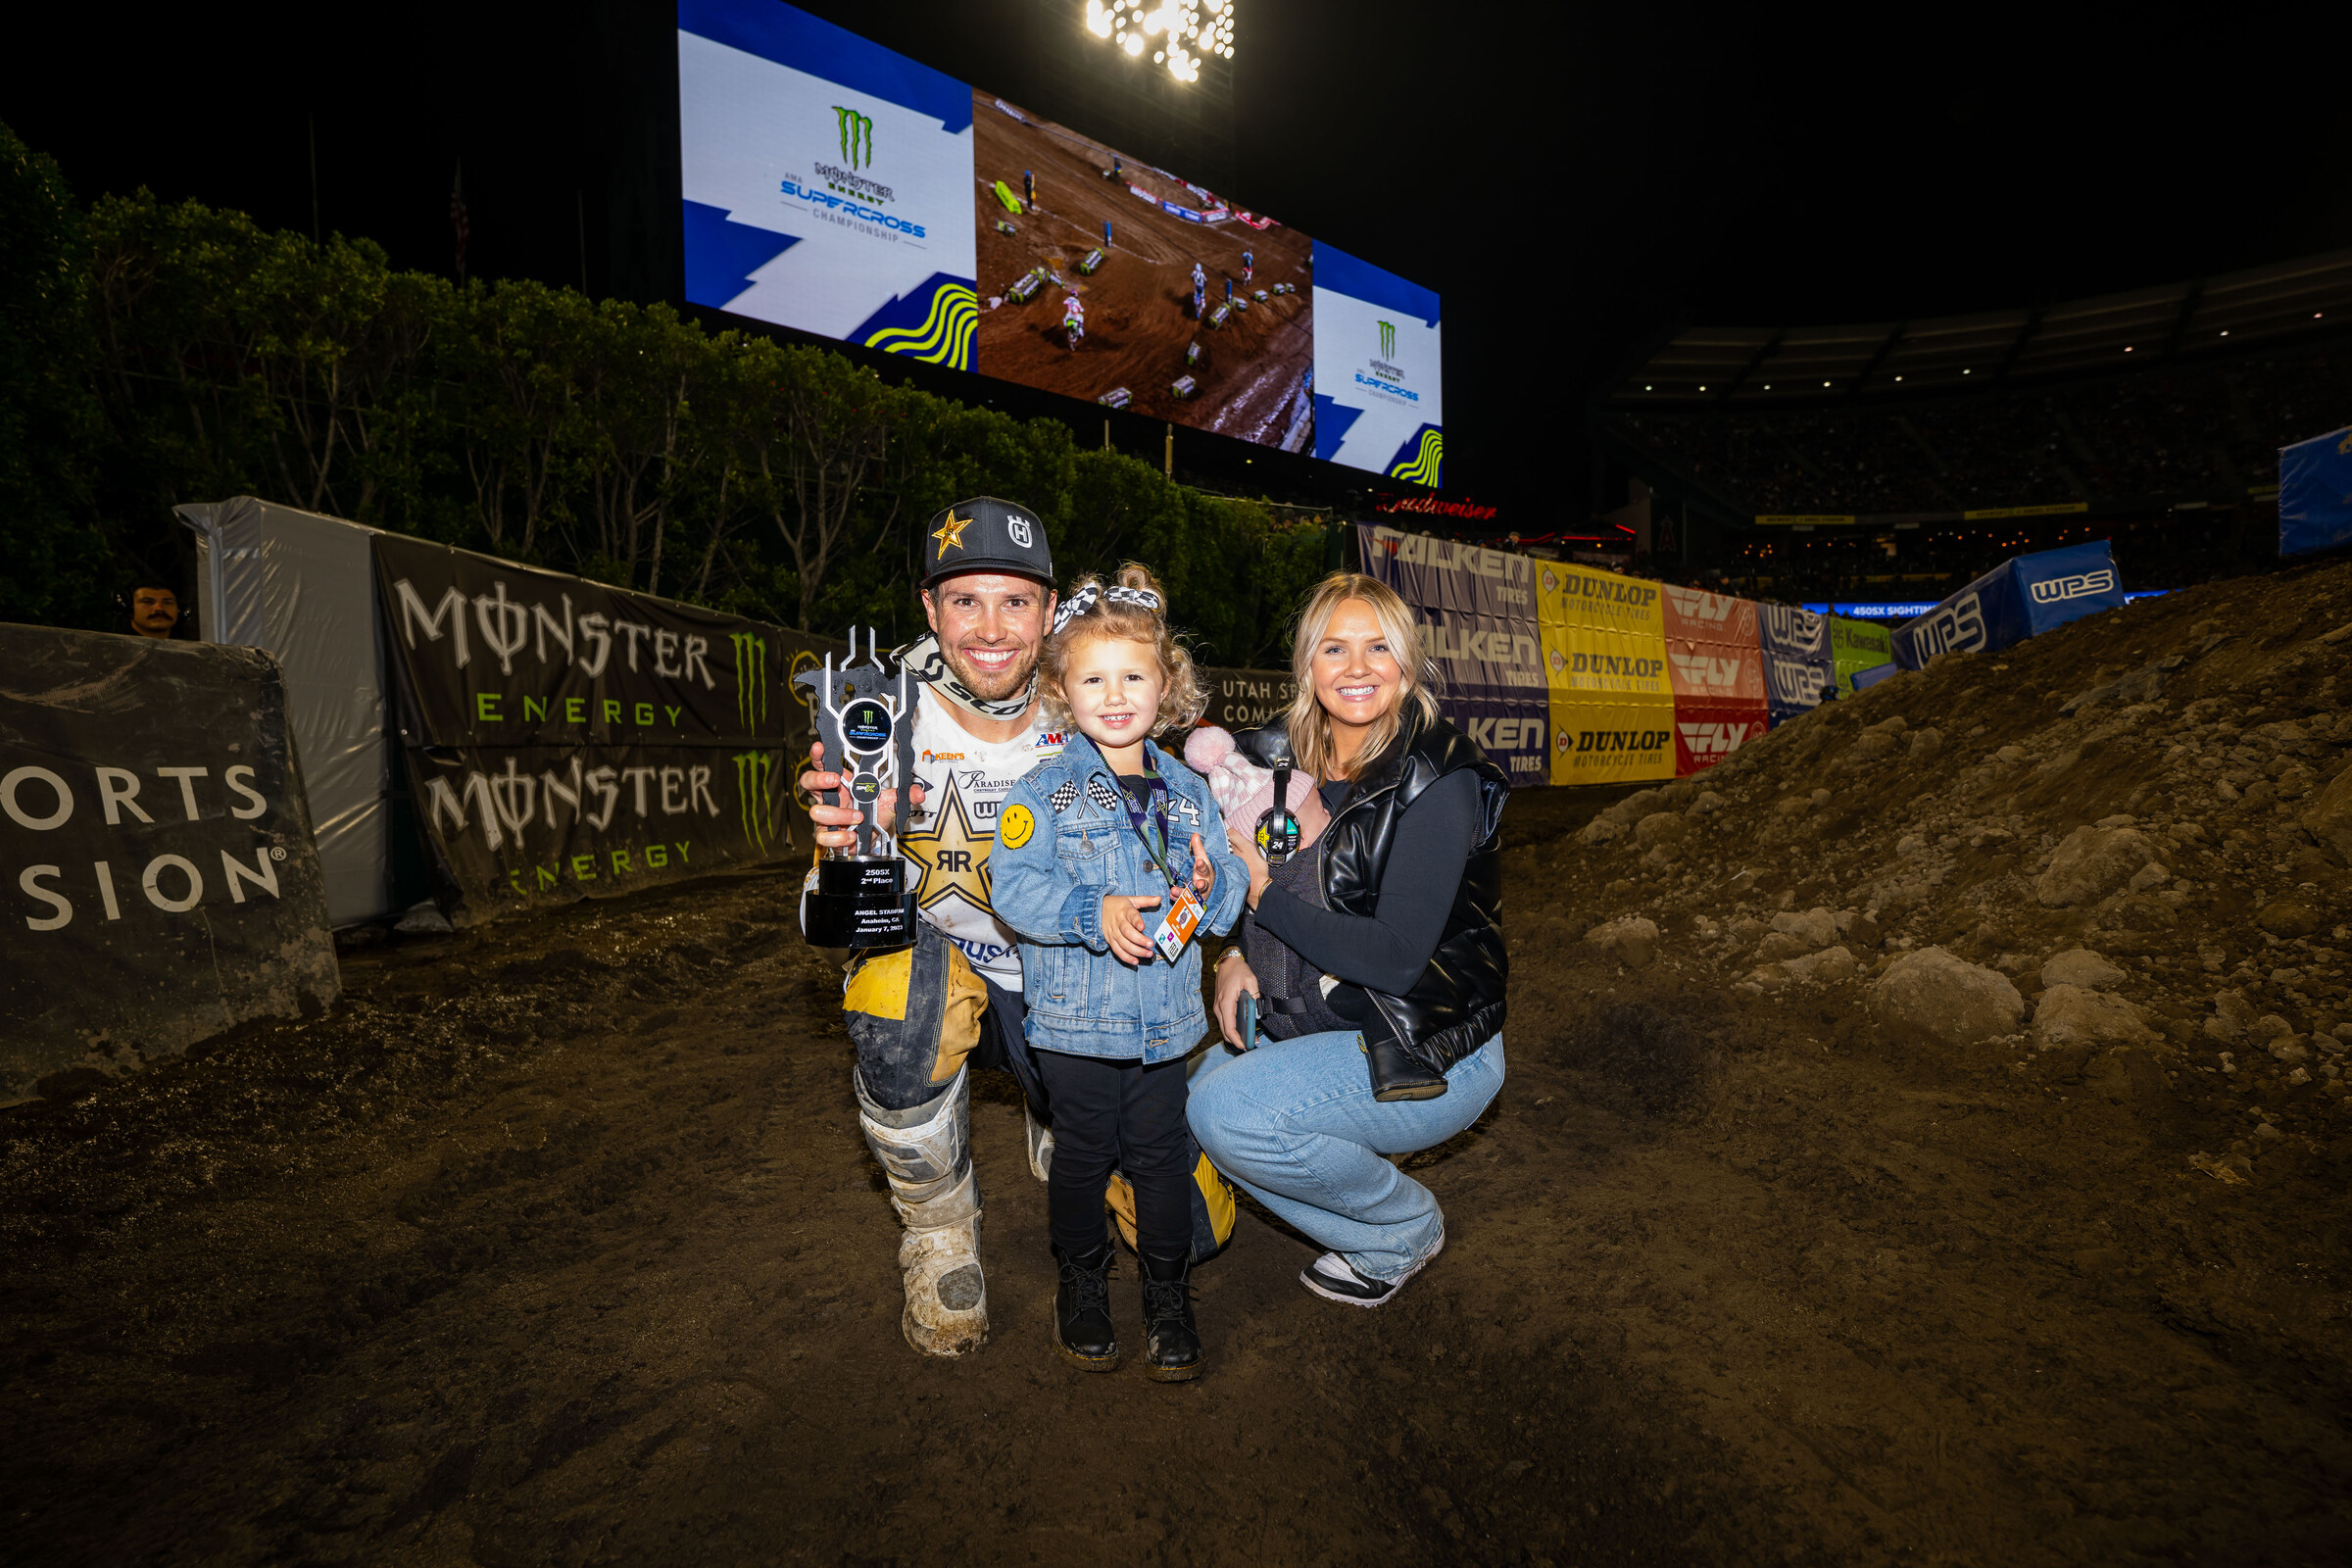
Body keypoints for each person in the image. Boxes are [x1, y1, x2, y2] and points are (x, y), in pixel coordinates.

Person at [797, 499, 1232, 1358]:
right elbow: (821, 919)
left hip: (1078, 997)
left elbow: (1195, 842)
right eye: (965, 600)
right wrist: (840, 850)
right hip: (951, 982)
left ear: (1048, 609)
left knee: (1198, 1228)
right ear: (929, 607)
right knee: (892, 993)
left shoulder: (1092, 699)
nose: (991, 628)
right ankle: (940, 1233)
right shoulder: (881, 717)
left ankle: (1054, 1114)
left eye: (1016, 600)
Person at [1188, 571, 1509, 1307]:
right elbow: (1264, 880)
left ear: (1406, 663)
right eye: (1335, 648)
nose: (1357, 668)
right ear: (1308, 666)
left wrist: (1263, 901)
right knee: (1196, 1091)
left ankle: (1399, 1231)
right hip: (1330, 1015)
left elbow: (1395, 957)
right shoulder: (1288, 761)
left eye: (1378, 648)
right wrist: (1236, 955)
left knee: (1226, 1114)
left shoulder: (1439, 776)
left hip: (1429, 1045)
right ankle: (1344, 1183)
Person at [993, 566, 1246, 1379]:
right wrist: (1087, 912)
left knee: (1161, 1159)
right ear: (1062, 689)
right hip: (1073, 1024)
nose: (1115, 693)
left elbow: (1230, 887)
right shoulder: (1042, 787)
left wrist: (1211, 889)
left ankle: (1167, 1296)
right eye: (1093, 677)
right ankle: (1083, 1283)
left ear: (1166, 684)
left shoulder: (1186, 789)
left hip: (1166, 1024)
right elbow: (1015, 886)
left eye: (1133, 675)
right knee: (1083, 1157)